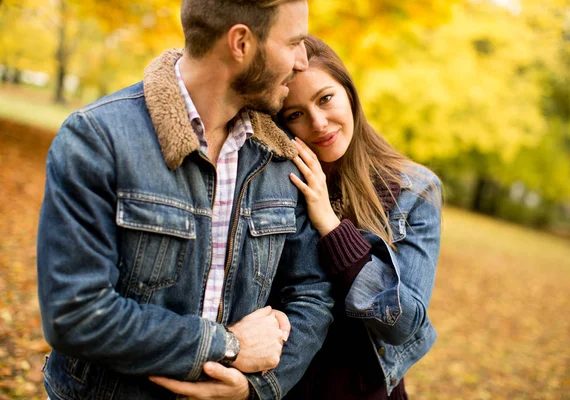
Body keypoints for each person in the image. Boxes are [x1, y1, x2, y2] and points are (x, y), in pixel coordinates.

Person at [36, 2, 334, 400]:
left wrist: (253, 387)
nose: (302, 61)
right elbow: (75, 314)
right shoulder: (98, 139)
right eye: (294, 42)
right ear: (241, 42)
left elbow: (311, 292)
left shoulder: (277, 156)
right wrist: (227, 346)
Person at [277, 35, 442, 399]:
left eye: (325, 98)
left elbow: (404, 323)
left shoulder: (415, 191)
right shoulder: (276, 183)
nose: (319, 123)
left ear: (349, 92)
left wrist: (332, 229)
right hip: (283, 387)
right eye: (296, 114)